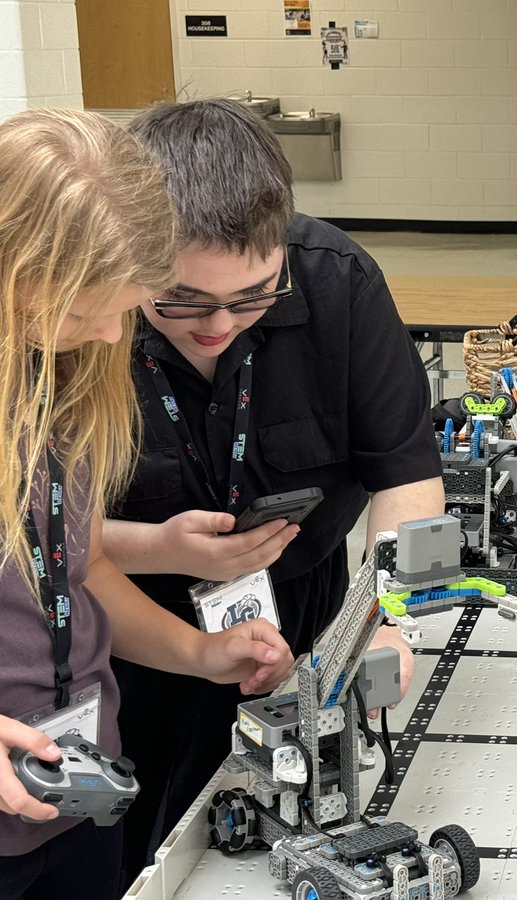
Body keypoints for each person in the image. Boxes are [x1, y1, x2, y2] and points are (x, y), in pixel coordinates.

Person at [102, 99, 445, 885]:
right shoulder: (91, 315)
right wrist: (153, 547)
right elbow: (41, 525)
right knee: (146, 845)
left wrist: (388, 629)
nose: (220, 324)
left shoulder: (339, 282)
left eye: (254, 295)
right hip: (128, 624)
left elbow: (406, 475)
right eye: (183, 299)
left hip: (304, 613)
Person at [0, 109, 294, 900]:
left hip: (76, 800)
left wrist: (198, 655)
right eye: (81, 308)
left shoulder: (56, 379)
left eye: (124, 305)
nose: (105, 335)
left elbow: (80, 565)